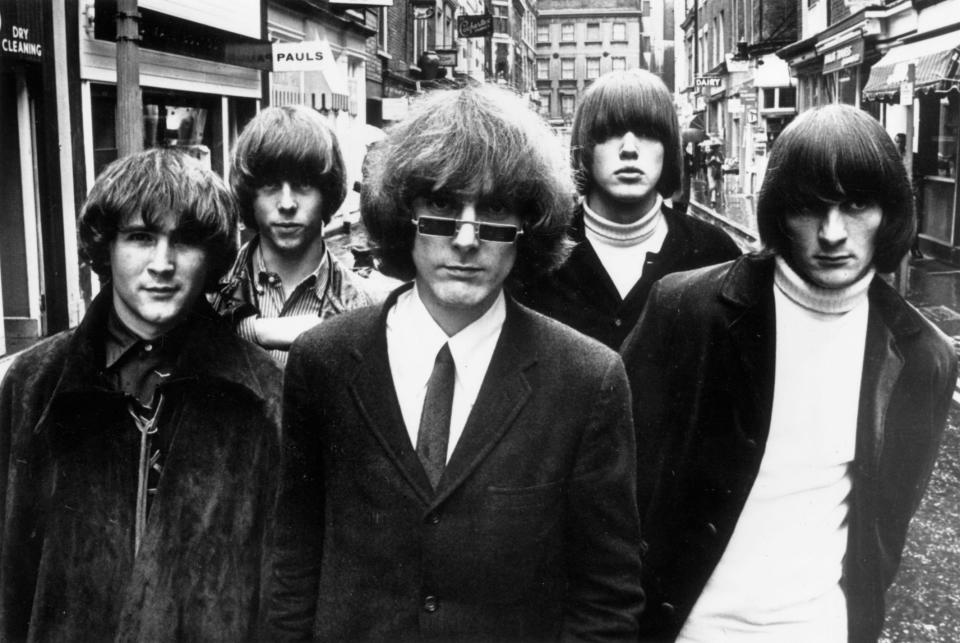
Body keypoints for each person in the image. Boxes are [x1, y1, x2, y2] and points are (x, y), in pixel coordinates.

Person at [265, 84, 643, 640]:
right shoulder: (324, 362)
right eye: (442, 206)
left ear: (525, 228)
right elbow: (294, 565)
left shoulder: (586, 379)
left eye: (493, 211)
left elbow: (606, 598)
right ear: (403, 215)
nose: (467, 238)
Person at [620, 104, 957, 642]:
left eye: (856, 205)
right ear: (779, 212)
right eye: (809, 208)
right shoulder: (690, 310)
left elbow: (883, 531)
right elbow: (612, 486)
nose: (831, 233)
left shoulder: (922, 356)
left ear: (889, 213)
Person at [0, 149, 282, 640]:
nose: (162, 263)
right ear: (104, 247)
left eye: (186, 241)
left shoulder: (260, 396)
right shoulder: (33, 385)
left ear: (212, 256)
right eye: (140, 237)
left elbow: (280, 586)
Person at [513, 69, 739, 349]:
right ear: (585, 149)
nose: (629, 149)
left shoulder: (715, 252)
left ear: (668, 149)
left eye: (647, 134)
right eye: (610, 133)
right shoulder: (540, 249)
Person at [212, 105, 374, 364]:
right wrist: (251, 330)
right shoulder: (209, 291)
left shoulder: (365, 307)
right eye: (270, 185)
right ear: (250, 195)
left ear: (327, 193)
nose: (287, 204)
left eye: (304, 184)